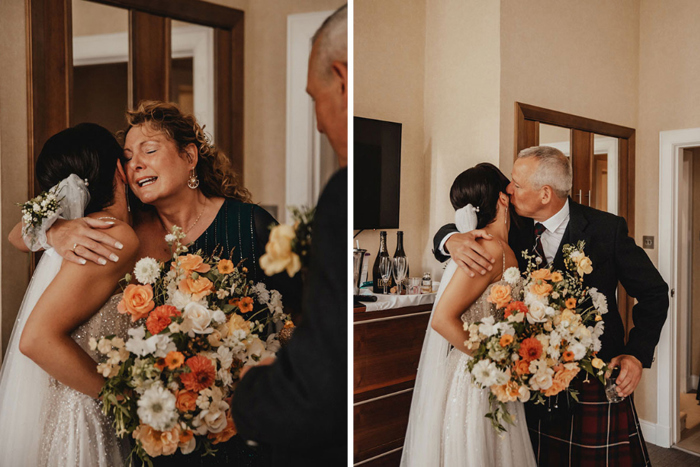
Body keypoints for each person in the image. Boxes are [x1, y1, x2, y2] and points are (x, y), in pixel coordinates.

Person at [9, 102, 300, 466]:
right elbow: (20, 234)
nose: (137, 165)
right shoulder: (128, 232)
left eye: (149, 150)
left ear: (190, 156)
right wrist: (57, 230)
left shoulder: (251, 224)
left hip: (243, 420)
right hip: (160, 435)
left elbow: (302, 314)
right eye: (128, 158)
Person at [433, 146, 668, 465]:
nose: (509, 189)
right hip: (532, 386)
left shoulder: (605, 230)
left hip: (592, 380)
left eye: (516, 183)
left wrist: (637, 354)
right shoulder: (512, 227)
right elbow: (464, 224)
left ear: (545, 193)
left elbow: (654, 292)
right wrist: (450, 239)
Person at [230, 5, 347, 466]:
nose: (318, 122)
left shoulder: (338, 193)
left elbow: (319, 385)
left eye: (315, 98)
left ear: (341, 78)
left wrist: (253, 390)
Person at [0, 123, 139, 466]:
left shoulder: (76, 230)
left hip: (60, 410)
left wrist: (54, 229)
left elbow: (17, 235)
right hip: (86, 414)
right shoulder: (111, 235)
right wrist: (122, 401)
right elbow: (34, 339)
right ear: (120, 171)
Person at [401, 163, 536, 467]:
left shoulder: (504, 244)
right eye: (510, 188)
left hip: (497, 367)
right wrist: (495, 363)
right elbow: (441, 320)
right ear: (503, 199)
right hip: (478, 370)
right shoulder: (485, 248)